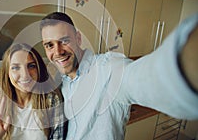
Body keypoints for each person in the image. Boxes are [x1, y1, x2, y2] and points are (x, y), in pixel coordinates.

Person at [39, 11, 198, 140]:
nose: (58, 51)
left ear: (78, 38)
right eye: (50, 45)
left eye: (64, 40)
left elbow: (149, 77)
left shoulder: (109, 69)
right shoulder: (63, 83)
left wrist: (186, 62)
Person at [0, 43, 67, 140]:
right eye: (15, 68)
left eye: (31, 66)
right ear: (7, 73)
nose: (25, 75)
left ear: (39, 69)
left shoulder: (51, 101)